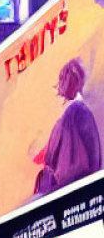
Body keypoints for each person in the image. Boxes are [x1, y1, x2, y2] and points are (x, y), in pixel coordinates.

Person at [34, 57, 101, 196]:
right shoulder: (84, 113)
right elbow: (95, 157)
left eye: (61, 83)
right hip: (82, 185)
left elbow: (50, 158)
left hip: (66, 186)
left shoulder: (68, 118)